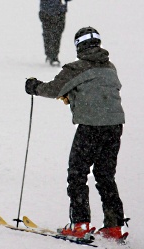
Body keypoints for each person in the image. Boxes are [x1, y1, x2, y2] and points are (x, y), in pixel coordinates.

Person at [25, 27, 129, 240]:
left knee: (77, 173)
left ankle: (80, 224)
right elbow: (101, 93)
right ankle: (114, 226)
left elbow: (54, 89)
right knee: (105, 174)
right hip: (115, 125)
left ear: (79, 46)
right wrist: (74, 97)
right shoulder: (111, 67)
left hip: (91, 126)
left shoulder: (76, 68)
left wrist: (34, 87)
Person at [39, 0, 68, 66]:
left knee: (57, 34)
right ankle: (52, 55)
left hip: (59, 11)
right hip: (47, 11)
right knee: (49, 33)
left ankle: (52, 55)